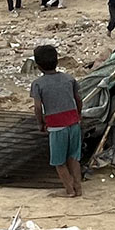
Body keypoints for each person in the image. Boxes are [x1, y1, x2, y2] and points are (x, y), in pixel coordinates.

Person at [30, 44, 83, 196]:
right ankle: (78, 188)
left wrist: (41, 123)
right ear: (57, 61)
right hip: (73, 123)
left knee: (59, 162)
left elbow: (38, 108)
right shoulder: (69, 79)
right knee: (73, 158)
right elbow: (78, 99)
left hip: (56, 126)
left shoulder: (38, 84)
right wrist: (78, 115)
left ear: (38, 66)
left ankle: (69, 190)